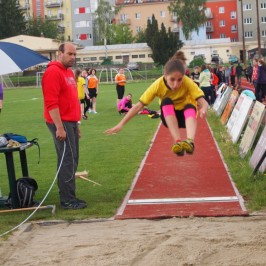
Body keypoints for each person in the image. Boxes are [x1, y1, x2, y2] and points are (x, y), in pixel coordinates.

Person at [105, 51, 209, 156]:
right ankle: (178, 142)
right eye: (172, 79)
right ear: (165, 75)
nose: (176, 84)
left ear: (183, 77)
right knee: (166, 101)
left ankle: (190, 142)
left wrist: (203, 108)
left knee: (190, 105)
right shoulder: (158, 85)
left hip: (185, 117)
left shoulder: (187, 82)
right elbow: (137, 107)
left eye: (179, 80)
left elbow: (203, 103)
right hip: (169, 117)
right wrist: (121, 124)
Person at [41, 42, 87, 209]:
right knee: (67, 159)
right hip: (60, 122)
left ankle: (70, 196)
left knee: (73, 159)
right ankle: (67, 199)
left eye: (74, 54)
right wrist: (59, 127)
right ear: (59, 53)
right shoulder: (52, 72)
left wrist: (77, 125)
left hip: (71, 122)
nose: (73, 57)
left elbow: (71, 101)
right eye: (69, 54)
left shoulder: (68, 72)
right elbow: (51, 103)